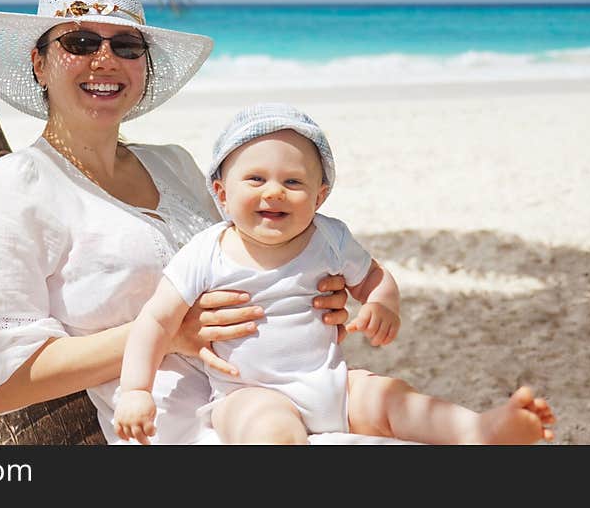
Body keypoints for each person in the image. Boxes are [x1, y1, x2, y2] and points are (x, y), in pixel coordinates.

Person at [0, 0, 549, 445]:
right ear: (39, 61)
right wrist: (171, 333)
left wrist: (318, 290)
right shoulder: (18, 186)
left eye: (127, 44)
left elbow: (254, 253)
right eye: (80, 42)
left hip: (305, 394)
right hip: (192, 430)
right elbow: (0, 384)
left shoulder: (174, 163)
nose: (105, 60)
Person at [113, 104, 556, 445]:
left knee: (394, 397)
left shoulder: (330, 238)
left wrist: (383, 304)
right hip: (247, 391)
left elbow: (375, 278)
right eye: (255, 179)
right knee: (266, 428)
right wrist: (136, 388)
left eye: (293, 182)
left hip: (333, 384)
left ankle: (481, 429)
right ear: (221, 192)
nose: (274, 191)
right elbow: (156, 320)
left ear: (320, 196)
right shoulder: (207, 251)